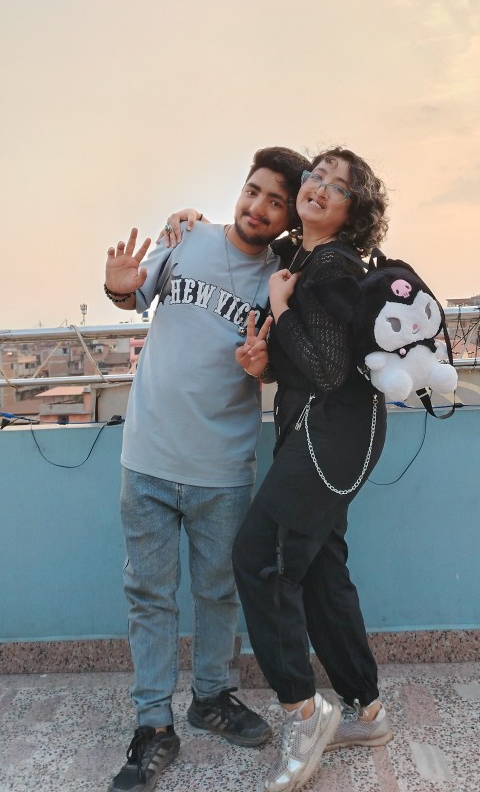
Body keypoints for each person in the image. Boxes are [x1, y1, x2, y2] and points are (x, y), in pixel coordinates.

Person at [103, 146, 309, 792]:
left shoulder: (280, 282)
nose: (259, 207)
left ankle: (213, 696)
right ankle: (153, 724)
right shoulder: (186, 237)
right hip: (148, 455)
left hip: (221, 465)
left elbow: (279, 363)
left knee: (219, 591)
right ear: (240, 190)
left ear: (288, 218)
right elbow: (132, 296)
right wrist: (117, 284)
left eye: (276, 202)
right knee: (149, 594)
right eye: (254, 191)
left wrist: (263, 367)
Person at [231, 147, 393, 792]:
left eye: (338, 186)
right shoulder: (307, 258)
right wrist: (265, 364)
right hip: (334, 433)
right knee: (322, 568)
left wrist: (281, 306)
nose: (320, 188)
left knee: (260, 557)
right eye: (316, 176)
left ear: (354, 210)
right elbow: (314, 361)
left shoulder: (330, 264)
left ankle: (304, 711)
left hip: (331, 435)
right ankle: (367, 710)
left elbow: (326, 370)